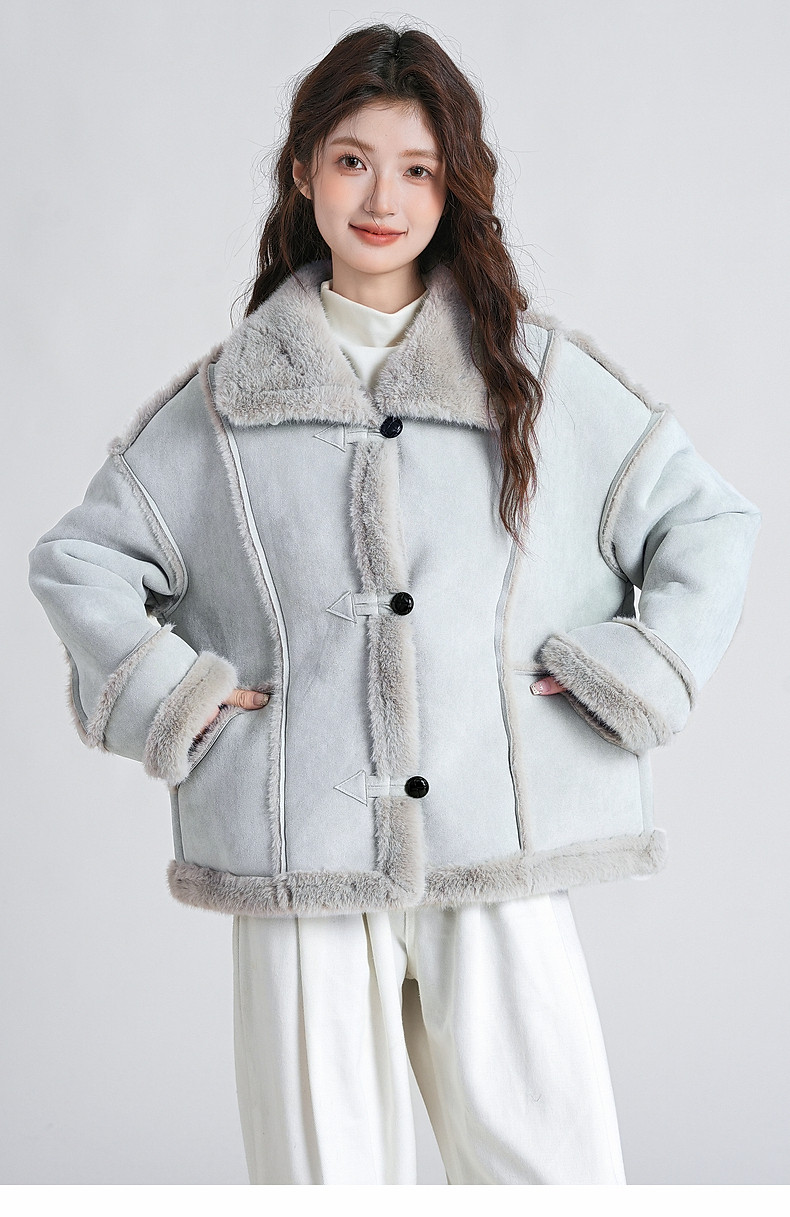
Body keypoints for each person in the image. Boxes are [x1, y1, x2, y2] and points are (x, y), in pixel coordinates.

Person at [27, 23, 761, 1187]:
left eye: (418, 168)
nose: (383, 197)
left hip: (494, 847)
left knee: (555, 1176)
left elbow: (706, 523)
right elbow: (82, 560)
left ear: (453, 185)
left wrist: (623, 672)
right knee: (324, 1182)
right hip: (302, 855)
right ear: (304, 172)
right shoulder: (225, 404)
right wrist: (182, 697)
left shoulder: (535, 376)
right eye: (353, 160)